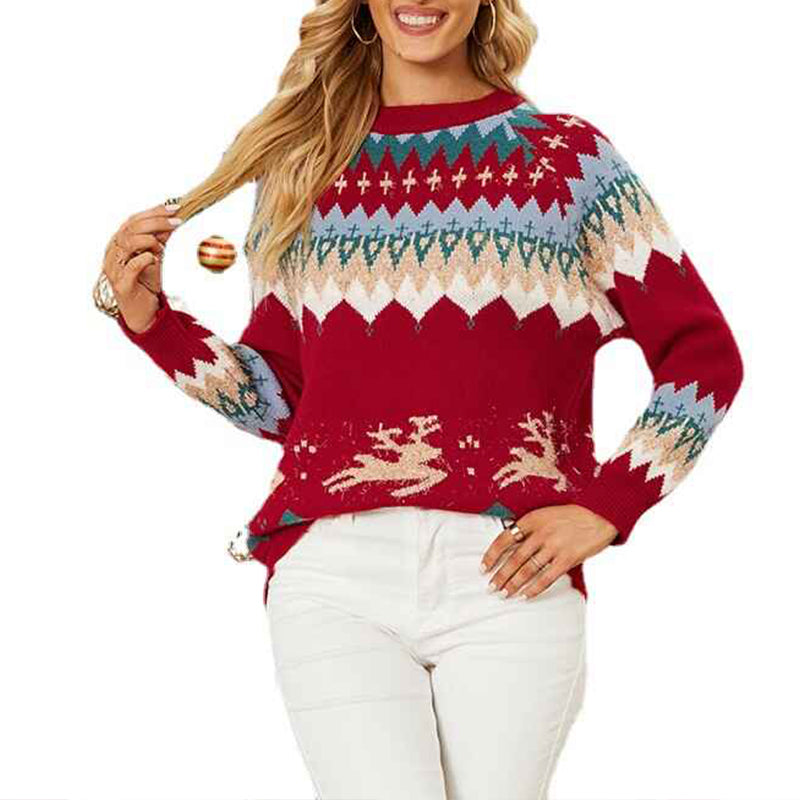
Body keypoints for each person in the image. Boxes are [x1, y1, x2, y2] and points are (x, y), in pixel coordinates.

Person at [101, 1, 745, 797]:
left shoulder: (564, 162)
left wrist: (608, 506)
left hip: (509, 573)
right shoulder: (304, 169)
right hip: (336, 577)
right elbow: (287, 404)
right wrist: (155, 326)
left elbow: (703, 357)